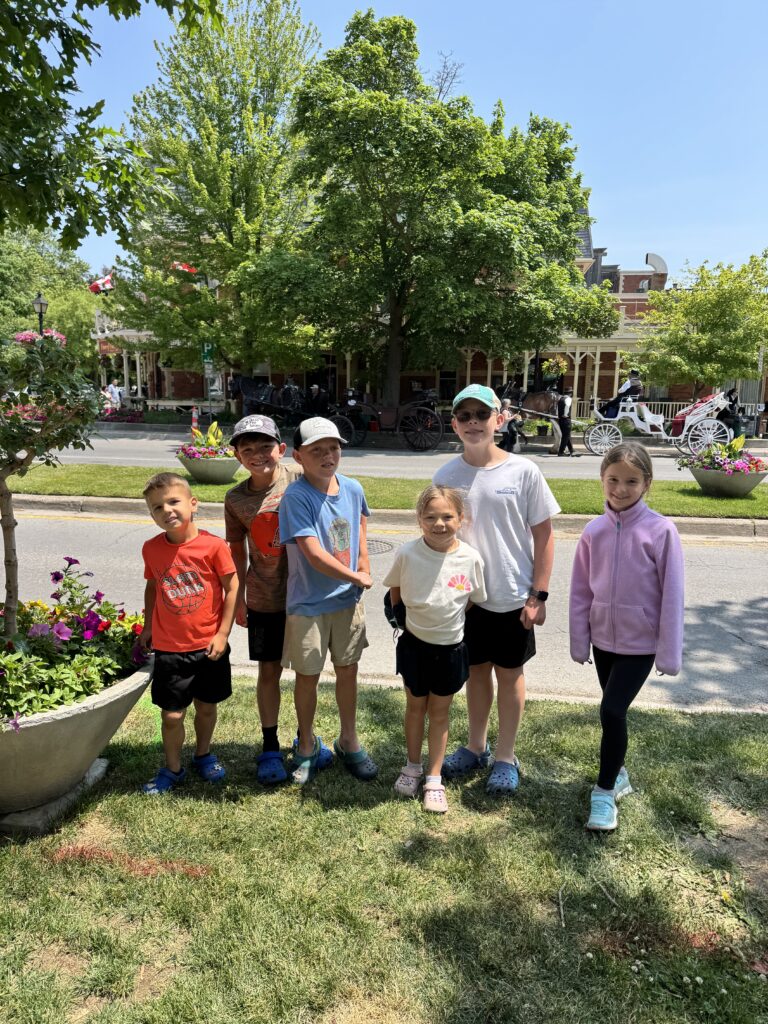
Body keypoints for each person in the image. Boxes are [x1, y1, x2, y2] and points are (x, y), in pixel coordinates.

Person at [433, 384, 560, 795]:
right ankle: (475, 746)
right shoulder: (446, 475)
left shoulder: (523, 472)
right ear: (455, 424)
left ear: (499, 420)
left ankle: (505, 756)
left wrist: (538, 594)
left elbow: (544, 535)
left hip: (511, 596)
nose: (473, 422)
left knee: (510, 674)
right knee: (475, 673)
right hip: (466, 600)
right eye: (465, 416)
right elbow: (438, 536)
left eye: (481, 415)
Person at [569, 442, 684, 831]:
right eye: (613, 479)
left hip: (641, 644)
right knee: (611, 713)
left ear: (646, 483)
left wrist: (668, 653)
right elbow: (581, 590)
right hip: (603, 642)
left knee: (612, 710)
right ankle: (618, 773)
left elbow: (672, 595)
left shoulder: (661, 531)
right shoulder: (593, 531)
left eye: (631, 481)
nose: (620, 488)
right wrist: (579, 639)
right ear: (602, 479)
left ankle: (603, 794)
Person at [225, 414, 332, 785]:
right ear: (237, 455)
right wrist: (238, 598)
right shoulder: (236, 499)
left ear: (282, 450)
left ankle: (307, 740)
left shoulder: (301, 481)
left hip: (306, 595)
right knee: (268, 672)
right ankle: (270, 746)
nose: (258, 454)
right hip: (265, 597)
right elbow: (236, 550)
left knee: (308, 673)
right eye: (247, 449)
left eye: (265, 446)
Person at [278, 416, 378, 784]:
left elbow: (361, 529)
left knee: (347, 670)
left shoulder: (352, 488)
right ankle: (306, 743)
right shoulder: (296, 497)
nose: (327, 456)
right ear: (298, 456)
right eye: (317, 450)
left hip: (347, 601)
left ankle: (348, 739)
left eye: (333, 448)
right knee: (307, 675)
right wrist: (357, 576)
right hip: (308, 604)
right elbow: (313, 553)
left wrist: (363, 567)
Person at [384, 485, 486, 813]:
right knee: (415, 708)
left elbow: (471, 599)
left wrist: (449, 619)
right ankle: (412, 767)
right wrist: (403, 619)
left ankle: (433, 777)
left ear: (461, 519)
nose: (439, 523)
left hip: (451, 649)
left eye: (447, 516)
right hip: (414, 647)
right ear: (419, 520)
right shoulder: (408, 554)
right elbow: (395, 591)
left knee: (439, 713)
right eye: (430, 517)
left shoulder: (470, 558)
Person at [140, 472, 239, 794]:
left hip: (208, 645)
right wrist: (148, 626)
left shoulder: (213, 547)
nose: (166, 510)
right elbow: (153, 586)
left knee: (207, 706)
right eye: (156, 507)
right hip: (170, 647)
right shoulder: (152, 549)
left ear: (192, 504)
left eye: (173, 501)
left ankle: (203, 754)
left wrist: (223, 633)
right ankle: (173, 768)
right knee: (171, 715)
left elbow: (232, 585)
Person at [557, 386, 577, 457]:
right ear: (570, 393)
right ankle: (561, 452)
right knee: (565, 437)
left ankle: (572, 451)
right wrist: (565, 414)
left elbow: (557, 409)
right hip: (566, 419)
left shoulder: (560, 399)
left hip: (560, 420)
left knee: (566, 436)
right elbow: (567, 407)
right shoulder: (568, 399)